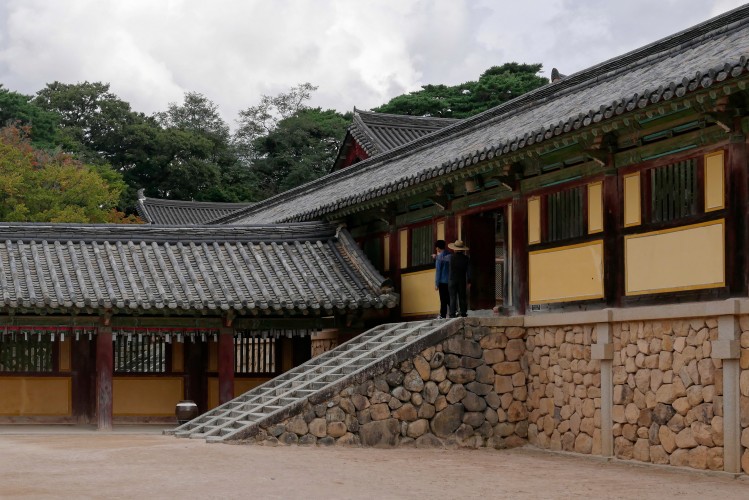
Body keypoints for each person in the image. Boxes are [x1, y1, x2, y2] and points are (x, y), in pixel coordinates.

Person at [447, 239, 471, 318]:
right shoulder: (466, 258)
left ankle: (452, 313)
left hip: (452, 279)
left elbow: (442, 259)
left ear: (454, 249)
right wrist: (469, 281)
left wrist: (436, 257)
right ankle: (463, 312)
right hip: (461, 280)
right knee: (462, 297)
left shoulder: (451, 257)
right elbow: (468, 271)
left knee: (452, 297)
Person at [434, 240, 451, 319]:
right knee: (450, 297)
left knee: (443, 298)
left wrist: (436, 284)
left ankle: (442, 314)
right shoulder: (449, 254)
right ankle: (454, 311)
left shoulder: (439, 257)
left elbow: (438, 271)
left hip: (442, 281)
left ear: (438, 248)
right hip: (450, 280)